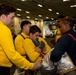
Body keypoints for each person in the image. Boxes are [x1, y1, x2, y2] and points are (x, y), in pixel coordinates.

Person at [0, 3, 40, 75]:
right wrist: (30, 65)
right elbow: (12, 54)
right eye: (12, 17)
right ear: (3, 17)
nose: (12, 20)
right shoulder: (3, 29)